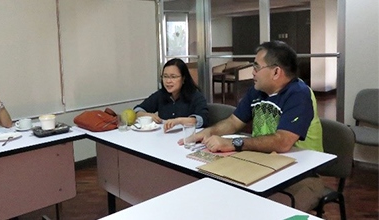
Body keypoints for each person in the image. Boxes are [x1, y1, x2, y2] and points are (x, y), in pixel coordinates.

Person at [183, 41, 324, 211]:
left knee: (270, 212)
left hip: (300, 174)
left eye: (257, 67)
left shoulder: (299, 94)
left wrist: (234, 144)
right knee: (224, 197)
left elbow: (283, 142)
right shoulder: (257, 91)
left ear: (276, 71)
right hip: (262, 164)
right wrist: (207, 132)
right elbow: (234, 122)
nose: (253, 72)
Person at [134, 58, 208, 131]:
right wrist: (148, 116)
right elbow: (137, 110)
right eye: (165, 76)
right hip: (164, 137)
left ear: (183, 79)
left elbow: (202, 120)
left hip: (186, 138)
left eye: (173, 77)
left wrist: (178, 121)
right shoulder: (160, 94)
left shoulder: (196, 96)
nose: (168, 81)